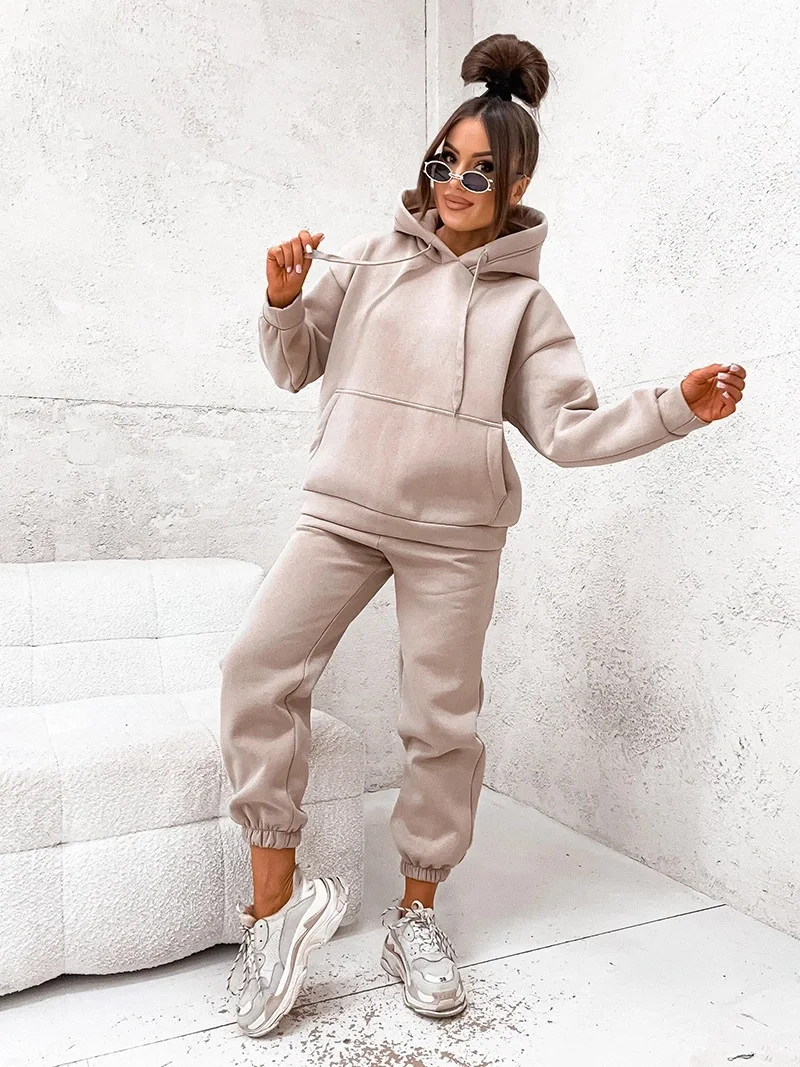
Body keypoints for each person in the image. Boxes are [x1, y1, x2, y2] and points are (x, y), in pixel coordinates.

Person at [218, 32, 746, 1039]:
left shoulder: (525, 306)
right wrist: (282, 299)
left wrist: (674, 406)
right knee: (256, 667)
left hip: (456, 535)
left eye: (478, 171)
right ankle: (272, 915)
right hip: (342, 509)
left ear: (516, 183)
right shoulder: (368, 258)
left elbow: (569, 430)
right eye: (443, 162)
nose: (454, 184)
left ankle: (415, 916)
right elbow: (293, 365)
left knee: (441, 724)